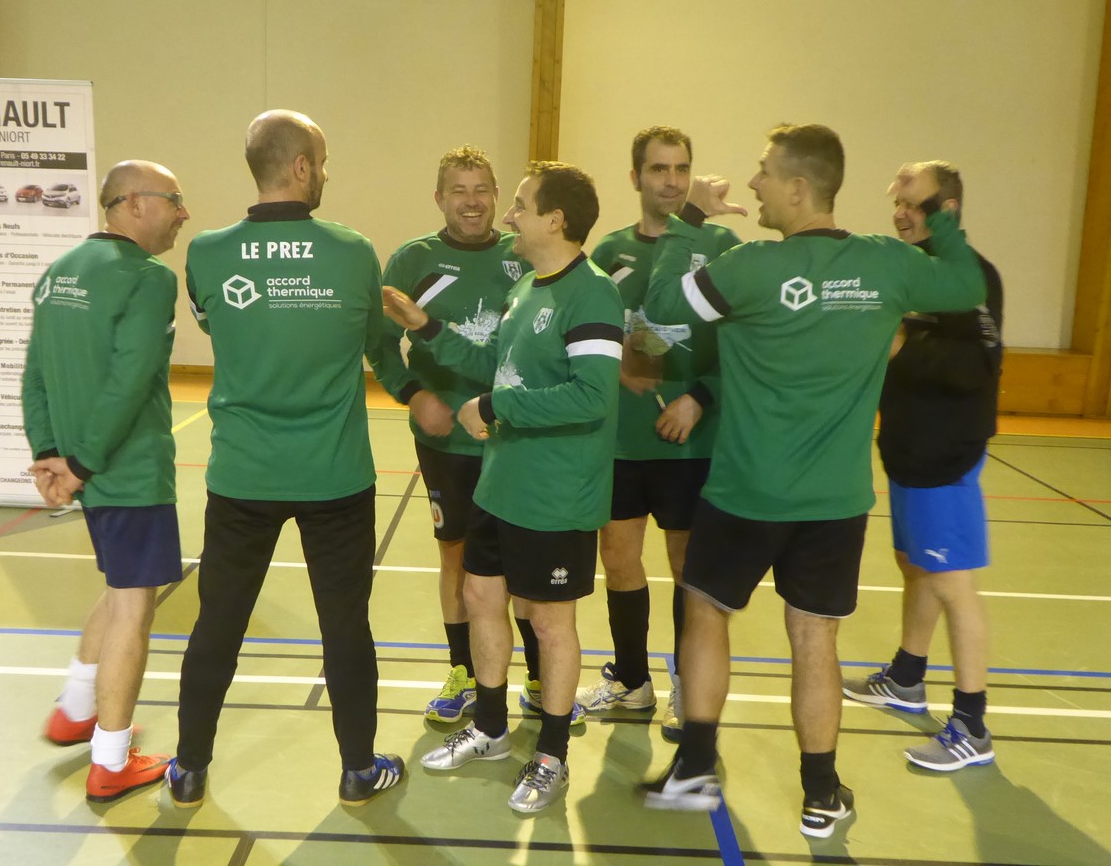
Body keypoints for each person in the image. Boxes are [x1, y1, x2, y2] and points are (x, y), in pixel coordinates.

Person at [638, 124, 987, 838]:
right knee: (814, 639)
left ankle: (695, 767)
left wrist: (691, 215)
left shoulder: (750, 267)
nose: (755, 183)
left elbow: (663, 306)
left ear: (798, 188)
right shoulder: (888, 264)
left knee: (704, 611)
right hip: (834, 503)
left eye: (764, 172)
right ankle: (821, 792)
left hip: (744, 494)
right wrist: (939, 213)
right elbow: (966, 282)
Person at [169, 110, 403, 809]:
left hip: (243, 475)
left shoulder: (207, 253)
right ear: (301, 167)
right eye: (322, 162)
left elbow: (215, 320)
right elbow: (374, 340)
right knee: (345, 625)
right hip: (334, 478)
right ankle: (358, 770)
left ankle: (188, 769)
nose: (326, 173)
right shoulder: (353, 252)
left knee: (218, 623)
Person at [384, 161, 622, 813]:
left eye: (520, 204)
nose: (508, 215)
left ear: (556, 219)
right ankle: (490, 727)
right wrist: (426, 328)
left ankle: (551, 756)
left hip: (556, 492)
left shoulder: (592, 295)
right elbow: (496, 363)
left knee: (549, 621)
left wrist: (495, 407)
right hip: (501, 482)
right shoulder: (528, 288)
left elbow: (593, 395)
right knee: (481, 595)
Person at [370, 146, 579, 727]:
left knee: (524, 559)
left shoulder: (524, 254)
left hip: (514, 439)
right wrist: (415, 395)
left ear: (497, 196)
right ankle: (463, 672)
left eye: (482, 188)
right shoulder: (414, 260)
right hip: (447, 444)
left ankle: (538, 675)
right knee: (456, 555)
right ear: (439, 198)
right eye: (458, 190)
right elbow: (378, 343)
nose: (471, 201)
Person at [22, 160, 190, 802]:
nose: (183, 213)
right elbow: (130, 379)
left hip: (89, 472)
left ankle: (75, 708)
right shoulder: (147, 278)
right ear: (134, 203)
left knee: (120, 588)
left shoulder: (61, 272)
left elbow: (35, 374)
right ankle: (112, 760)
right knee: (134, 609)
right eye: (174, 200)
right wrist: (82, 463)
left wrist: (52, 455)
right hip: (129, 472)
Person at [579, 127, 739, 741]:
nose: (671, 181)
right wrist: (615, 364)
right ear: (635, 177)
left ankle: (686, 688)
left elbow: (749, 343)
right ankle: (631, 680)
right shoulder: (610, 251)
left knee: (686, 568)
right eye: (658, 169)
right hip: (621, 441)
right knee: (618, 559)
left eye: (681, 169)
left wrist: (700, 398)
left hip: (691, 442)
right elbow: (591, 333)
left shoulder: (720, 246)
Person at [843, 161, 1003, 771]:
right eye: (898, 203)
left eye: (914, 203)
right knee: (916, 567)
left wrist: (903, 347)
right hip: (906, 450)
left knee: (953, 584)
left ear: (948, 210)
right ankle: (907, 677)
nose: (900, 213)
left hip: (945, 456)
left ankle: (972, 725)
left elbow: (975, 367)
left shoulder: (971, 278)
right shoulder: (910, 271)